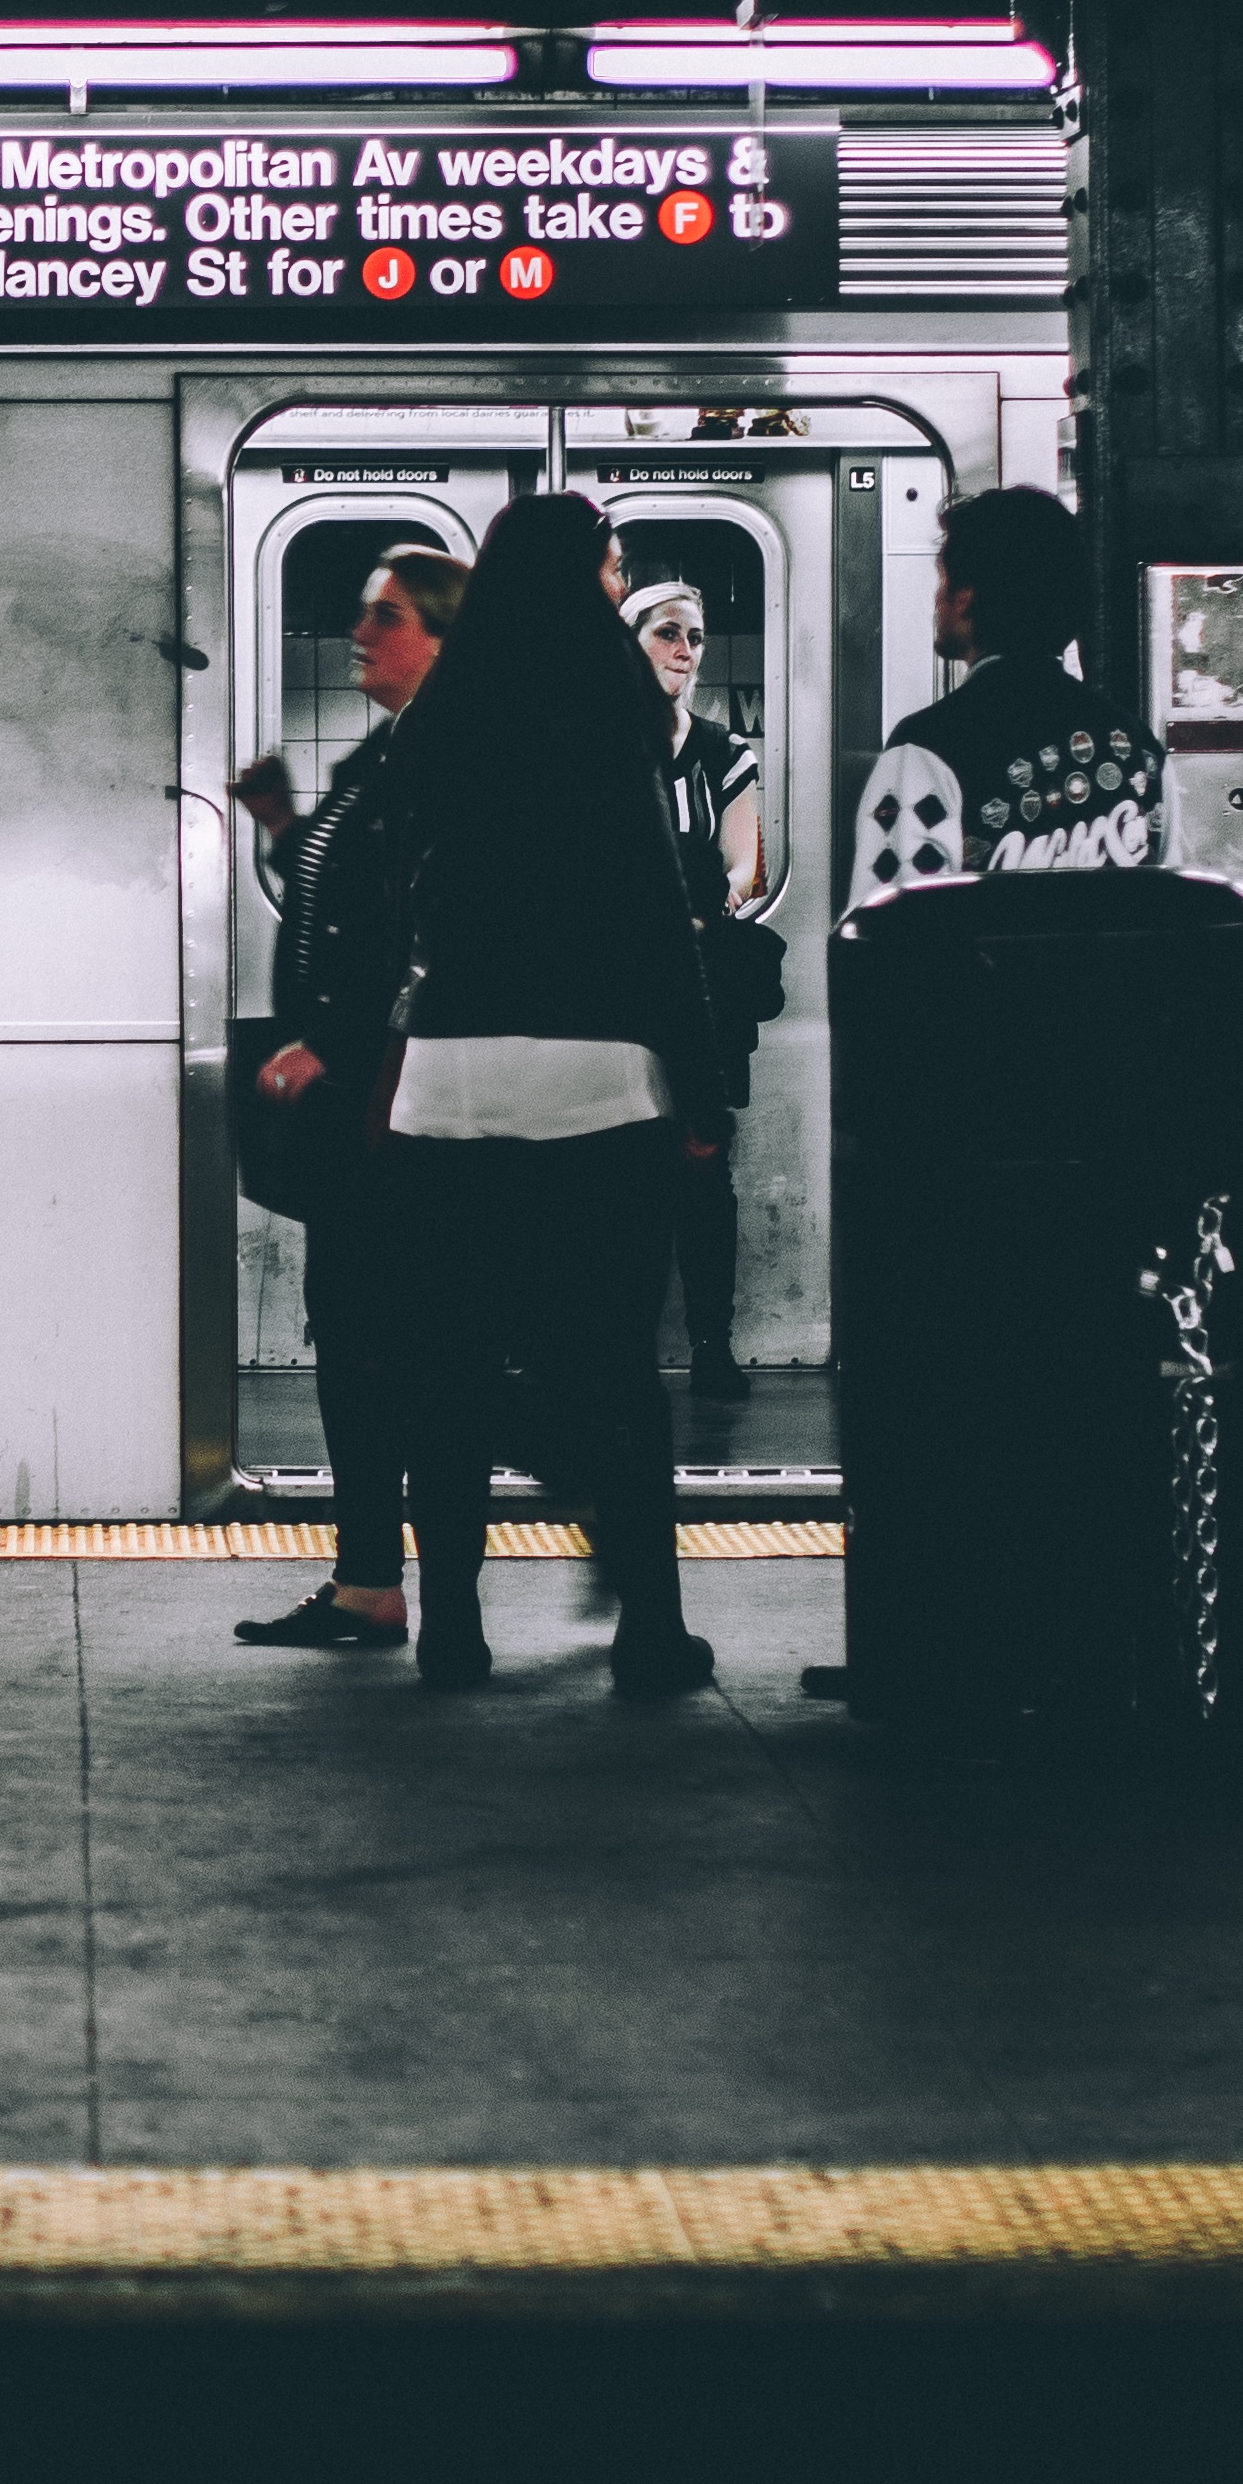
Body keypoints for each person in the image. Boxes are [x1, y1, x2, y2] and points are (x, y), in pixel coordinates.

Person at [318, 490, 722, 1697]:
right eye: (609, 571)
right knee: (611, 1369)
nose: (614, 590)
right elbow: (660, 919)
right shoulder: (615, 705)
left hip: (445, 1085)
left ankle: (453, 1632)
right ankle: (648, 1629)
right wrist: (699, 1089)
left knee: (442, 1367)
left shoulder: (438, 719)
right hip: (597, 1084)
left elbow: (397, 913)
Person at [231, 542, 471, 1654]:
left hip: (398, 1106)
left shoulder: (445, 758)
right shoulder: (385, 755)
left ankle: (412, 1589)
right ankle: (368, 1579)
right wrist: (282, 830)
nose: (359, 635)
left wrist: (327, 1042)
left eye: (384, 617)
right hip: (361, 1107)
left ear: (438, 632)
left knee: (399, 1344)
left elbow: (434, 937)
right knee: (358, 1337)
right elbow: (344, 906)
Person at [848, 485, 1166, 902]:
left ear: (967, 597)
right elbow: (1171, 911)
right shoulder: (1140, 749)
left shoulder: (926, 749)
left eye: (943, 579)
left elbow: (889, 922)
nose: (937, 597)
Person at [627, 575, 775, 1417]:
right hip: (619, 989)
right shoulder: (596, 743)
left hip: (702, 980)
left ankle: (712, 1342)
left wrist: (712, 902)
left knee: (702, 1166)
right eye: (668, 634)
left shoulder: (726, 752)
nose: (686, 652)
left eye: (696, 637)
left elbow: (745, 866)